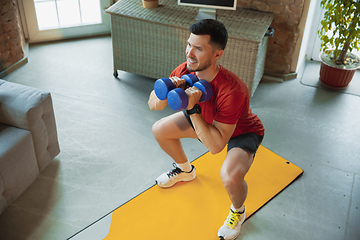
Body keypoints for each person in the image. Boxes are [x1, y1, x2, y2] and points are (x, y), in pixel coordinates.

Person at [148, 19, 264, 240]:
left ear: (217, 54)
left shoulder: (232, 90)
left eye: (198, 48)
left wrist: (192, 109)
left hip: (240, 131)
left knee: (230, 177)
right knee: (159, 129)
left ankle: (238, 212)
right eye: (189, 44)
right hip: (206, 122)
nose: (189, 53)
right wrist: (167, 89)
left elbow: (216, 146)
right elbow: (153, 105)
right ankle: (185, 171)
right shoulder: (185, 70)